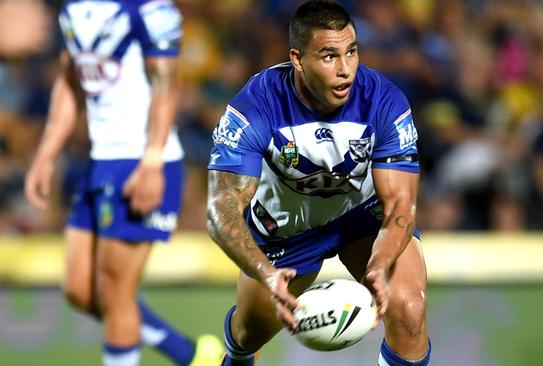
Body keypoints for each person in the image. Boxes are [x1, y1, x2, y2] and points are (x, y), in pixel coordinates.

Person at [206, 1, 431, 365]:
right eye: (329, 56)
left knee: (408, 309)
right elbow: (221, 209)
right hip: (285, 230)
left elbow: (401, 204)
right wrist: (264, 271)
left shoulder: (384, 101)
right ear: (298, 59)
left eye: (352, 52)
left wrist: (380, 261)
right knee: (249, 334)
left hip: (361, 217)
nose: (345, 70)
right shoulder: (255, 107)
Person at [24, 1, 223, 365]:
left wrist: (151, 162)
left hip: (141, 160)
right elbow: (71, 79)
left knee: (116, 297)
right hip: (99, 161)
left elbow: (167, 83)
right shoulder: (74, 8)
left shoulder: (148, 9)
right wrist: (46, 153)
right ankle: (194, 355)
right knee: (80, 291)